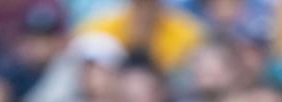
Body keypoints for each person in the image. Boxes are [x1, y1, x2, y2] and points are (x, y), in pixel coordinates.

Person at [78, 0, 206, 73]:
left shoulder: (187, 33)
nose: (144, 12)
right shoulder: (102, 28)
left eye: (149, 5)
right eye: (139, 5)